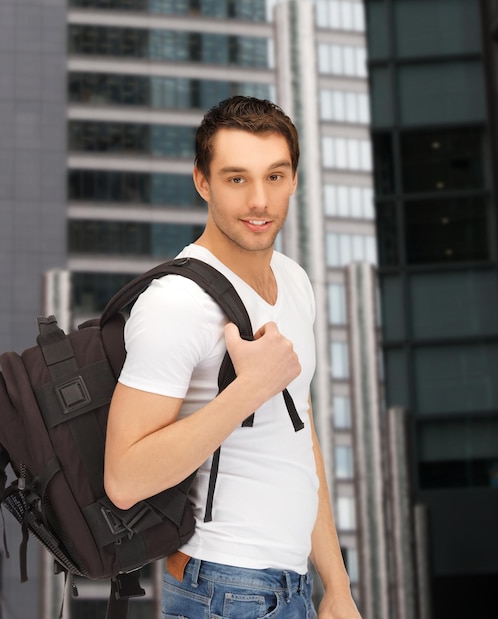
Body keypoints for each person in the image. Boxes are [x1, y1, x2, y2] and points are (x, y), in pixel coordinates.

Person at [104, 96, 362, 619]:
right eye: (237, 179)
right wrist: (247, 389)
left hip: (292, 586)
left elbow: (297, 433)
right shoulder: (177, 301)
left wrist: (335, 584)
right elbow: (124, 479)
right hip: (221, 587)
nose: (260, 201)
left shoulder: (294, 280)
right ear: (203, 182)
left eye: (275, 176)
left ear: (294, 180)